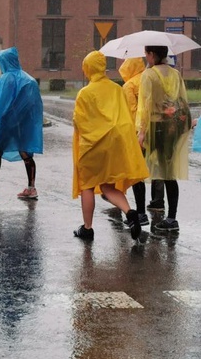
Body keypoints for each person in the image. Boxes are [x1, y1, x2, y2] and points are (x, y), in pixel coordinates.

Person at [72, 51, 148, 241]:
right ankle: (130, 213)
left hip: (92, 147)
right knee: (108, 186)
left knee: (87, 186)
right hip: (114, 146)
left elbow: (78, 121)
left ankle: (87, 228)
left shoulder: (85, 93)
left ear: (88, 68)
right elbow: (124, 117)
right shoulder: (116, 89)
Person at [136, 45, 191, 232]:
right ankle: (171, 218)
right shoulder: (175, 74)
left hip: (153, 126)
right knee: (169, 172)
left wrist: (141, 132)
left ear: (152, 55)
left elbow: (145, 104)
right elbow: (181, 99)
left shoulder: (149, 75)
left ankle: (141, 213)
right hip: (171, 128)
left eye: (146, 53)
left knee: (138, 169)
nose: (145, 57)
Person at [0, 47, 43, 199]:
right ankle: (31, 187)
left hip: (7, 123)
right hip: (24, 124)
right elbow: (35, 105)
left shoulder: (7, 78)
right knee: (26, 153)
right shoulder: (29, 79)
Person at [118, 57, 151, 228]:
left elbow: (129, 113)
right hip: (154, 130)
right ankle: (158, 203)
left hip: (137, 133)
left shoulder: (129, 86)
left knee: (137, 173)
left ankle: (141, 212)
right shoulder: (150, 78)